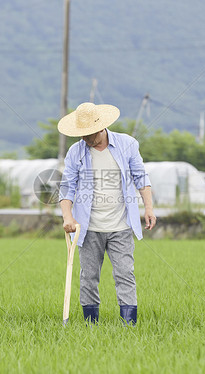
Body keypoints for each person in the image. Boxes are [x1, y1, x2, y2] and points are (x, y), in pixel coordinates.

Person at [58, 102, 156, 325]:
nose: (85, 139)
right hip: (88, 227)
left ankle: (129, 325)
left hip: (121, 226)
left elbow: (141, 177)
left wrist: (148, 207)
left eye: (88, 135)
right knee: (88, 278)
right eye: (81, 135)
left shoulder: (127, 144)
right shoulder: (76, 152)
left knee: (125, 275)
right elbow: (67, 187)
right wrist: (67, 217)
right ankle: (91, 325)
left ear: (100, 128)